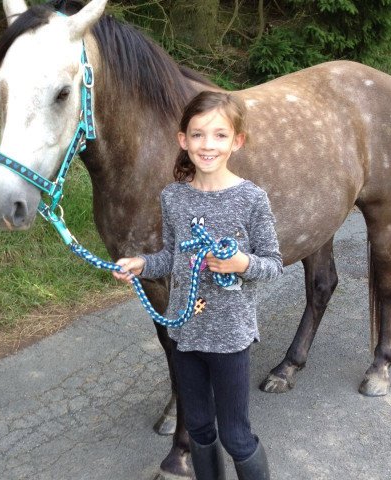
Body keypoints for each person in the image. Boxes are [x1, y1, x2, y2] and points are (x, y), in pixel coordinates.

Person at [112, 91, 282, 480]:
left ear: (236, 141)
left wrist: (241, 263)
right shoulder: (173, 197)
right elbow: (173, 257)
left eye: (220, 135)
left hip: (230, 339)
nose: (208, 145)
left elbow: (273, 264)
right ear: (182, 140)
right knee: (201, 430)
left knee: (236, 437)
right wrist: (142, 264)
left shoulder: (251, 199)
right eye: (198, 134)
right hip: (184, 334)